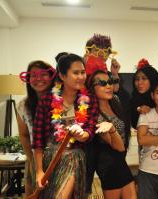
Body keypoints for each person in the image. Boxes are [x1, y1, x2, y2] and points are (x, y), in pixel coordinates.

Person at [32, 54, 99, 199]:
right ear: (62, 76)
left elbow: (91, 129)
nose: (81, 76)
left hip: (74, 158)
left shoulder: (90, 99)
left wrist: (82, 134)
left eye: (83, 72)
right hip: (50, 158)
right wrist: (39, 171)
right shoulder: (47, 100)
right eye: (75, 73)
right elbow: (38, 140)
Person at [86, 70, 137, 199]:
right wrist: (112, 129)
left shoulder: (115, 100)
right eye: (102, 83)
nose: (108, 86)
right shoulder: (94, 114)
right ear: (92, 88)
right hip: (108, 165)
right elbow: (119, 147)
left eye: (109, 82)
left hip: (120, 161)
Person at [17, 60, 56, 196]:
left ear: (51, 76)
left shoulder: (62, 100)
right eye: (33, 75)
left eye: (43, 74)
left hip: (60, 159)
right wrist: (32, 160)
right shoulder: (23, 105)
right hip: (35, 159)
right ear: (28, 79)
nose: (38, 78)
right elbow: (23, 134)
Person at [129, 58, 158, 129]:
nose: (139, 83)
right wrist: (138, 109)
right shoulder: (133, 101)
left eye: (144, 78)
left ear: (152, 80)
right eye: (137, 79)